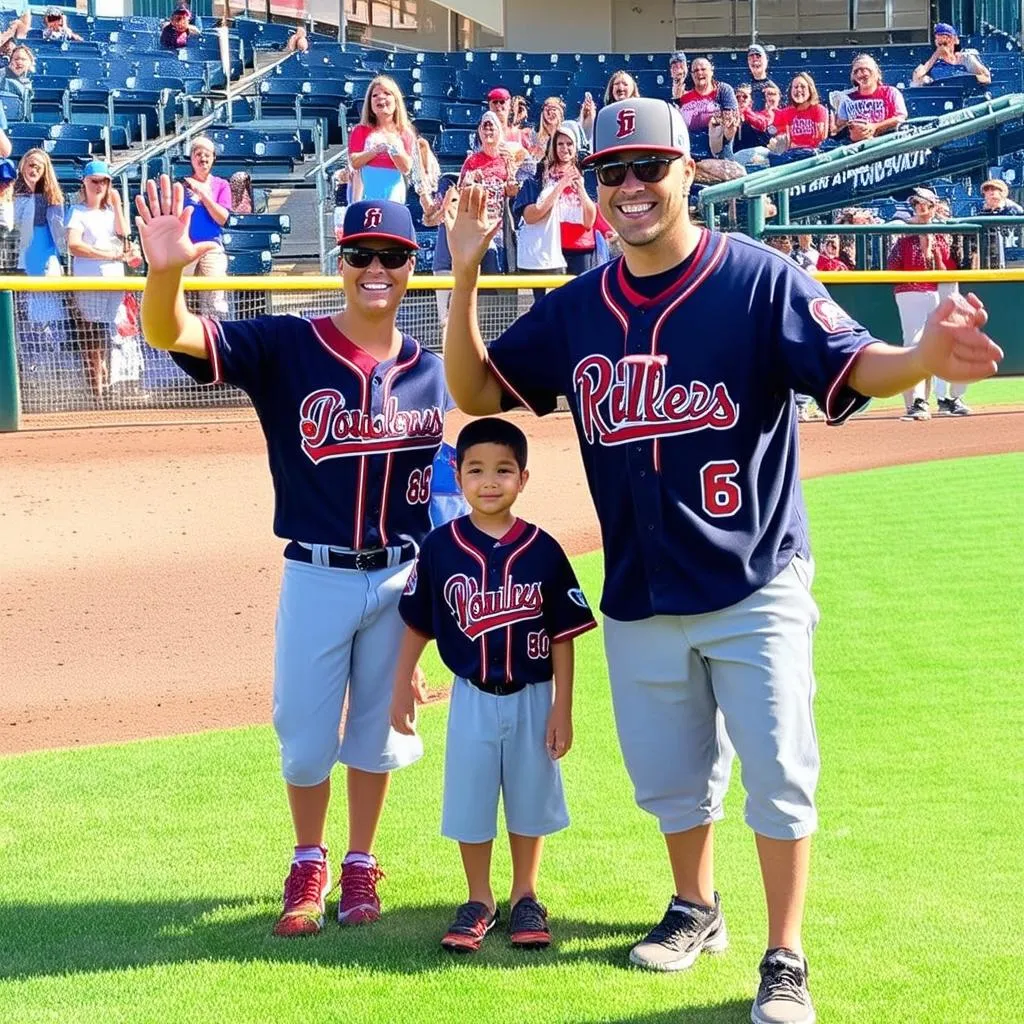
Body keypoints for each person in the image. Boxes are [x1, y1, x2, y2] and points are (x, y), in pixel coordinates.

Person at [441, 97, 1002, 1024]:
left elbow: (854, 367)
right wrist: (462, 275)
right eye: (611, 171)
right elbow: (475, 391)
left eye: (648, 168)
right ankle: (696, 906)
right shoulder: (578, 308)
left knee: (779, 771)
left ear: (687, 171)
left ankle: (787, 955)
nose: (629, 188)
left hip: (755, 576)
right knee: (668, 774)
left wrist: (922, 357)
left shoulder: (757, 279)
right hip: (639, 587)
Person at [137, 181, 451, 939]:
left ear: (412, 263)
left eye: (393, 255)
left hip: (400, 573)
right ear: (339, 260)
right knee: (307, 737)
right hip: (316, 570)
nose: (376, 267)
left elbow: (436, 498)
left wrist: (429, 619)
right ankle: (308, 855)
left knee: (377, 732)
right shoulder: (286, 344)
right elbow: (167, 330)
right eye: (360, 254)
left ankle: (360, 862)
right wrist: (167, 270)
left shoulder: (428, 370)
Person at [390, 416, 596, 953]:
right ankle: (478, 898)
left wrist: (563, 708)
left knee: (530, 796)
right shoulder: (440, 547)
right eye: (476, 469)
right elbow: (417, 621)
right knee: (471, 797)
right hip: (471, 697)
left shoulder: (543, 549)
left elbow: (564, 636)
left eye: (503, 470)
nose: (489, 481)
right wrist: (400, 683)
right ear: (457, 475)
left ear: (523, 479)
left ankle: (526, 894)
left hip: (532, 697)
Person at [66, 160, 142, 404]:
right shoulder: (77, 212)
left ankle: (111, 385)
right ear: (85, 183)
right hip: (90, 281)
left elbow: (123, 233)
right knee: (93, 336)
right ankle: (96, 388)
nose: (99, 186)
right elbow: (74, 246)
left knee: (114, 334)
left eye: (104, 181)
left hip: (114, 281)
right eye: (94, 181)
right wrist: (108, 254)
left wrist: (118, 203)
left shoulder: (110, 212)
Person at [885, 187, 960, 420]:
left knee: (941, 343)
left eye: (924, 203)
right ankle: (916, 402)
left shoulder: (942, 231)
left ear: (934, 206)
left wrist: (935, 248)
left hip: (934, 290)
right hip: (909, 290)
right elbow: (893, 264)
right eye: (917, 204)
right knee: (914, 344)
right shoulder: (902, 228)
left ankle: (945, 399)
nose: (920, 207)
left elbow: (945, 267)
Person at [457, 111, 518, 274]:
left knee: (499, 269)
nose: (488, 132)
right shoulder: (472, 161)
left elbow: (514, 189)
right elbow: (460, 191)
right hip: (478, 225)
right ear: (479, 132)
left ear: (499, 131)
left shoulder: (507, 159)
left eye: (492, 128)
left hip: (501, 225)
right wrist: (470, 182)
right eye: (485, 128)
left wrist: (511, 189)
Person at [179, 135, 230, 317]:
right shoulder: (181, 186)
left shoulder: (221, 185)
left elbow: (222, 218)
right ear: (191, 158)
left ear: (214, 157)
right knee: (183, 300)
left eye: (207, 154)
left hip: (211, 247)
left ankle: (213, 338)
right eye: (198, 154)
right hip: (186, 247)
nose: (203, 158)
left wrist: (203, 195)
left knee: (213, 300)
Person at [348, 76, 414, 205]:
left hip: (393, 193)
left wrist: (392, 147)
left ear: (396, 101)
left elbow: (406, 168)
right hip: (366, 192)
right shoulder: (360, 131)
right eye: (375, 95)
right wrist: (375, 151)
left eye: (387, 93)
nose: (380, 97)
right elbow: (355, 162)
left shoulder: (405, 133)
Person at [834, 54, 907, 142]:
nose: (860, 73)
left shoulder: (891, 92)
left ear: (876, 73)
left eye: (865, 69)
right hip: (857, 146)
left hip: (886, 143)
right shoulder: (847, 98)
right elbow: (840, 125)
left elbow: (901, 117)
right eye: (856, 71)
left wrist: (875, 127)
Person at [677, 57, 739, 160]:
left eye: (703, 69)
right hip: (691, 156)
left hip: (720, 157)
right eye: (695, 70)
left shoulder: (723, 90)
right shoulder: (684, 98)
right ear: (691, 75)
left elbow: (731, 121)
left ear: (711, 71)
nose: (699, 73)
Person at [769, 73, 828, 165]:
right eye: (795, 87)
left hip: (813, 155)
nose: (799, 90)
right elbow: (779, 137)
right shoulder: (785, 112)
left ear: (810, 89)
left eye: (803, 86)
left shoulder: (819, 109)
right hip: (792, 154)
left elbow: (820, 138)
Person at [912, 23, 991, 86]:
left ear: (955, 40)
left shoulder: (966, 58)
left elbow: (986, 78)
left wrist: (967, 79)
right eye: (939, 39)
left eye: (947, 39)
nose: (944, 44)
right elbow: (916, 79)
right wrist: (935, 56)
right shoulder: (930, 62)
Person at [581, 70, 640, 147]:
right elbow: (589, 138)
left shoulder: (640, 111)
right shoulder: (605, 114)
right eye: (617, 84)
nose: (620, 87)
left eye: (625, 84)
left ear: (632, 89)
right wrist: (588, 118)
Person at [976, 177, 1023, 270]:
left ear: (1002, 192)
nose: (991, 192)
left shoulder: (1014, 210)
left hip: (1015, 258)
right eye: (987, 190)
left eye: (994, 189)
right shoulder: (981, 211)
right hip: (989, 257)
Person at [734, 81, 781, 169]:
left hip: (759, 159)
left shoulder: (760, 115)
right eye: (737, 97)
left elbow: (762, 125)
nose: (741, 99)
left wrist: (745, 111)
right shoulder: (729, 116)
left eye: (744, 96)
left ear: (751, 102)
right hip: (738, 162)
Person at [746, 44, 777, 111]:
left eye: (758, 56)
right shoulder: (745, 87)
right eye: (751, 57)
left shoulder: (772, 88)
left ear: (766, 60)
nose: (754, 59)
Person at [533, 95, 565, 161]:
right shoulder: (534, 134)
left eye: (554, 109)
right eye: (547, 110)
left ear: (560, 113)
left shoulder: (566, 133)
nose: (550, 113)